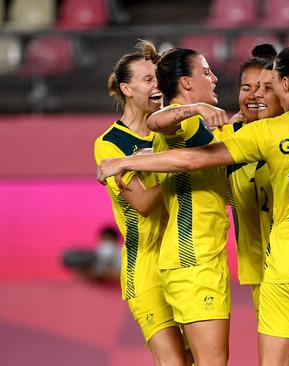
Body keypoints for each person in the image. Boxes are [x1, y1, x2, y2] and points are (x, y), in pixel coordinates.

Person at [97, 44, 289, 366]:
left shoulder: (262, 136)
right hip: (263, 271)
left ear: (283, 87)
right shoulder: (250, 136)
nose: (255, 94)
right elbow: (173, 140)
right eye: (246, 87)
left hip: (285, 267)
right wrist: (143, 158)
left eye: (265, 86)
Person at [139, 40, 231, 366]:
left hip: (202, 258)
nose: (215, 78)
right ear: (187, 83)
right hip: (193, 260)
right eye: (207, 72)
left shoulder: (206, 129)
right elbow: (156, 121)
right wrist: (197, 108)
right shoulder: (185, 121)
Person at [93, 49, 188, 365]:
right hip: (145, 268)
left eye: (158, 78)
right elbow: (144, 203)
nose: (156, 85)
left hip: (184, 260)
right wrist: (185, 166)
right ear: (126, 88)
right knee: (173, 362)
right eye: (148, 79)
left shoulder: (173, 130)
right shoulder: (111, 144)